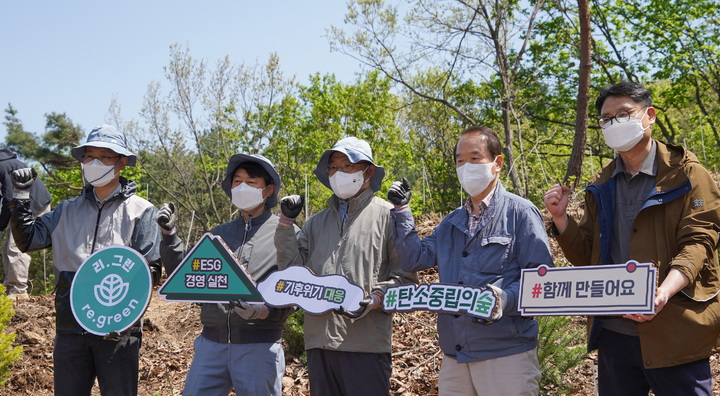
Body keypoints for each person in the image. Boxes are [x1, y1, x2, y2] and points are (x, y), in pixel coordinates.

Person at [543, 81, 720, 395]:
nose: (615, 124)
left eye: (623, 114)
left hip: (676, 328)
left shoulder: (688, 174)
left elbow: (698, 243)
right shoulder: (602, 184)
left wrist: (662, 293)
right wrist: (560, 219)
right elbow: (588, 255)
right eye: (607, 119)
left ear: (649, 115)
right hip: (615, 333)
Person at [388, 126, 552, 396]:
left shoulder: (520, 213)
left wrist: (503, 299)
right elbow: (414, 258)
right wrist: (402, 211)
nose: (466, 167)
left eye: (475, 159)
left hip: (505, 353)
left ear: (497, 163)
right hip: (456, 354)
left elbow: (542, 282)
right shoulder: (452, 222)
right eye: (460, 161)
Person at [9, 124, 162, 396]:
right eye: (89, 157)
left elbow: (150, 271)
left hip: (118, 332)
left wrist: (123, 318)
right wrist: (21, 198)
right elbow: (27, 241)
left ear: (122, 163)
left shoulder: (141, 211)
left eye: (104, 157)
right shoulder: (66, 211)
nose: (94, 163)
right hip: (71, 328)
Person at [276, 136, 418, 396]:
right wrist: (285, 224)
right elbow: (293, 276)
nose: (338, 173)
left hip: (365, 346)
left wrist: (376, 299)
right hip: (319, 344)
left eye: (347, 166)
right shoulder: (316, 223)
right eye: (333, 167)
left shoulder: (388, 217)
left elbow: (406, 279)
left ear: (369, 171)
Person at [157, 153, 298, 396]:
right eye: (237, 181)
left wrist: (267, 311)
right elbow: (188, 278)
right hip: (211, 345)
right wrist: (169, 237)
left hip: (259, 346)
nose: (242, 187)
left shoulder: (285, 232)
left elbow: (295, 286)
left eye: (251, 183)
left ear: (268, 190)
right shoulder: (217, 234)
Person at [0, 148, 52, 300]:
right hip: (21, 205)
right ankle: (9, 286)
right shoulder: (6, 163)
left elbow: (10, 197)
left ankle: (18, 291)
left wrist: (1, 224)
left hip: (33, 204)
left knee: (15, 245)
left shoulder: (3, 166)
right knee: (7, 247)